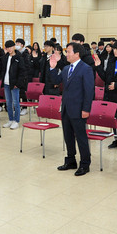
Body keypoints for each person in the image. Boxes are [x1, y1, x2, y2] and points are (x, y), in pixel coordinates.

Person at [49, 42, 95, 176]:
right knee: (68, 136)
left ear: (77, 54)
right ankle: (70, 160)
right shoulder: (65, 69)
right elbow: (56, 81)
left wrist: (86, 109)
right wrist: (52, 68)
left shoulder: (85, 69)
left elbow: (89, 91)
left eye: (68, 52)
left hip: (79, 109)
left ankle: (85, 164)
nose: (66, 54)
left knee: (81, 138)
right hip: (66, 108)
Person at [0, 40, 27, 130]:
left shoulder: (18, 58)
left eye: (10, 47)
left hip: (14, 84)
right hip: (6, 83)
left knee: (16, 103)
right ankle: (10, 119)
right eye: (7, 47)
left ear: (14, 47)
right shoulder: (5, 57)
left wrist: (18, 84)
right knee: (8, 103)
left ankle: (16, 121)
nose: (9, 49)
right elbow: (1, 68)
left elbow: (22, 72)